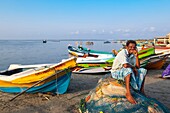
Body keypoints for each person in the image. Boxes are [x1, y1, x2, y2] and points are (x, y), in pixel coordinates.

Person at [111, 40, 147, 104]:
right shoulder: (123, 53)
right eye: (130, 47)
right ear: (127, 47)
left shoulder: (132, 55)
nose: (132, 48)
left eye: (134, 47)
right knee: (128, 70)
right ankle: (128, 93)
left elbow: (138, 67)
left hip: (125, 70)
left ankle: (142, 90)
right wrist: (133, 68)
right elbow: (125, 65)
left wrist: (136, 56)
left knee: (143, 70)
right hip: (116, 71)